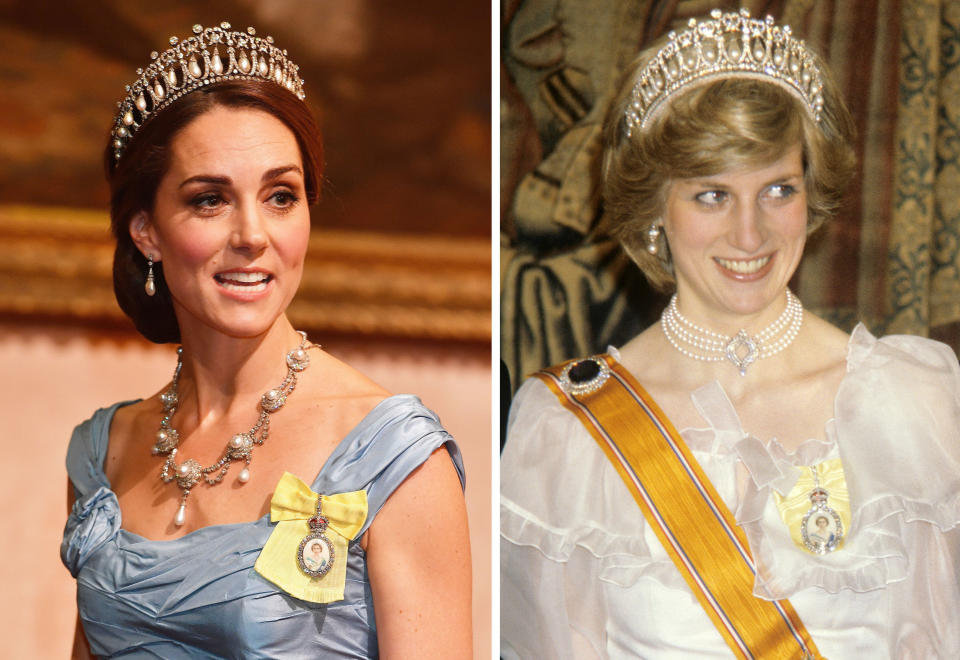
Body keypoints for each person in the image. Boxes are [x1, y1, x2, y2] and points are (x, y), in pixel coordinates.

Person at [501, 8, 960, 659]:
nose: (751, 234)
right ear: (658, 206)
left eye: (778, 189)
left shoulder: (908, 403)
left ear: (812, 192)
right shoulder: (570, 431)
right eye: (711, 195)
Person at [61, 22, 472, 659]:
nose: (253, 234)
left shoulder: (397, 461)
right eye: (209, 200)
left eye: (281, 196)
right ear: (146, 231)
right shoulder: (104, 456)